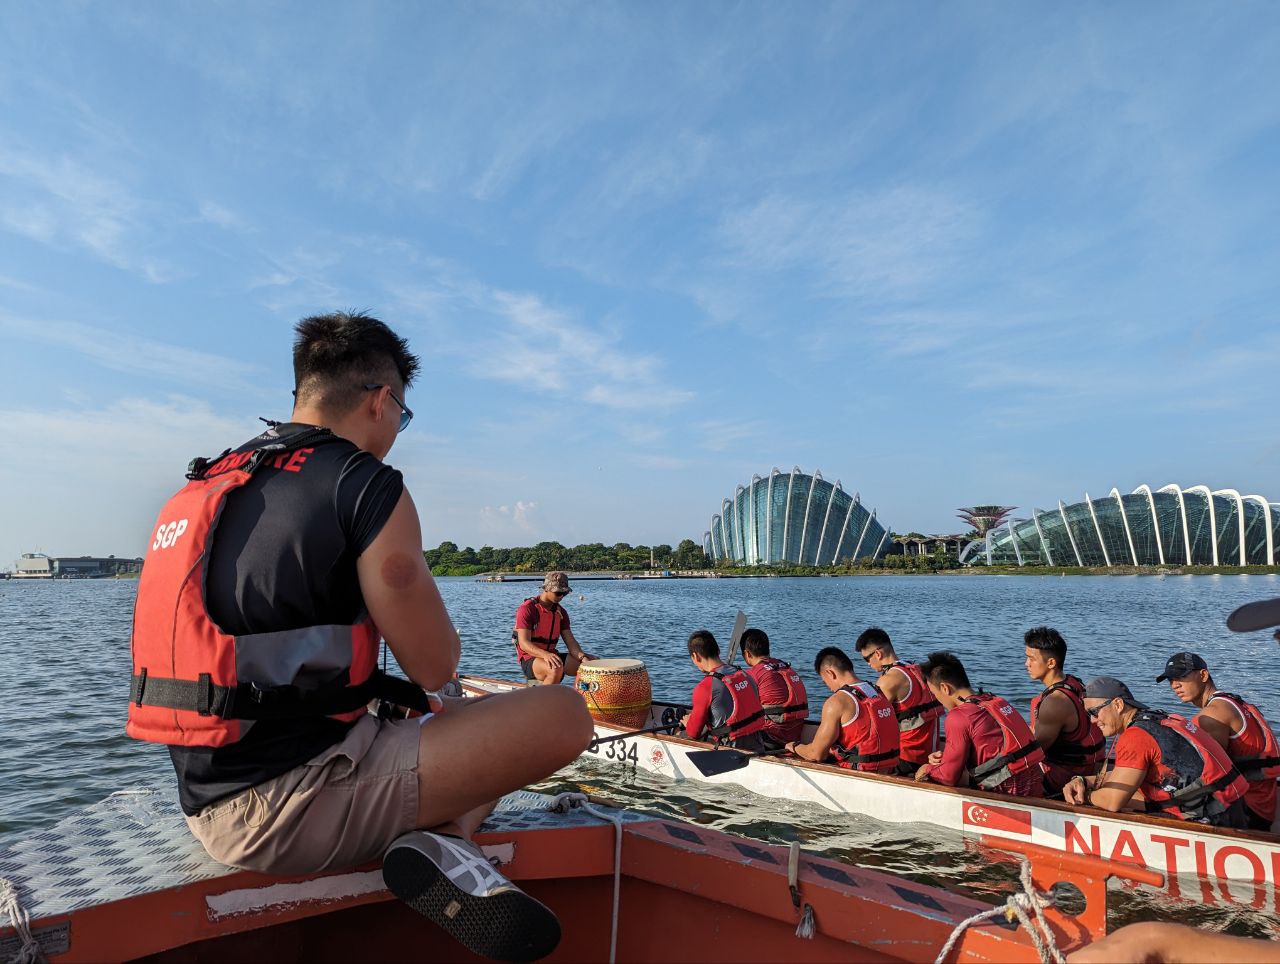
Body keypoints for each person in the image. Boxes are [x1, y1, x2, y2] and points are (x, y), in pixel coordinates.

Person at [126, 312, 593, 961]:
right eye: (401, 417)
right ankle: (446, 840)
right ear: (381, 401)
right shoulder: (363, 484)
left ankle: (432, 834)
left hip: (203, 803)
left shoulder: (213, 481)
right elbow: (436, 663)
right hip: (291, 812)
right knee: (563, 714)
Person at [1064, 677, 1247, 827]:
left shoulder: (1135, 736)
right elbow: (1127, 774)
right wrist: (1084, 780)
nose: (1094, 721)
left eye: (1094, 712)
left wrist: (1086, 797)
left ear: (1118, 705)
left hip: (1212, 820)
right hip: (1231, 808)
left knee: (1110, 802)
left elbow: (1113, 802)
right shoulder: (1158, 719)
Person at [1157, 651, 1279, 831]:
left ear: (1203, 675)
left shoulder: (1211, 716)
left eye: (1181, 677)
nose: (1175, 685)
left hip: (1249, 811)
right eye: (1170, 680)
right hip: (1265, 802)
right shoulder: (1233, 702)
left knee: (1157, 805)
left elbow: (1204, 775)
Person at [914, 651, 1045, 797]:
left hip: (1009, 793)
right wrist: (945, 758)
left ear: (945, 688)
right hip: (1035, 784)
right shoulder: (995, 701)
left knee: (924, 772)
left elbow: (947, 777)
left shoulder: (958, 716)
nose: (937, 699)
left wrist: (927, 769)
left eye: (935, 693)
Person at [787, 647, 899, 773]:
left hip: (859, 773)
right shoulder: (877, 691)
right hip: (889, 769)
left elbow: (816, 754)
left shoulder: (837, 701)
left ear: (830, 673)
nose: (829, 688)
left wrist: (794, 746)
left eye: (825, 682)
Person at [1023, 627, 1106, 795]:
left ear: (1051, 663)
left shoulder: (1055, 703)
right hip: (1088, 770)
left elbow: (1033, 754)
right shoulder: (1075, 684)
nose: (1026, 663)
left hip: (1060, 781)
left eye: (1032, 658)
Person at [855, 627, 944, 775]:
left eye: (867, 659)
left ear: (878, 653)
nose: (867, 664)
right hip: (930, 754)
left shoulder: (887, 682)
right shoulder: (918, 669)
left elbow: (870, 724)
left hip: (905, 759)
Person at [680, 629, 769, 751]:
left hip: (730, 754)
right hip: (758, 747)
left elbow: (693, 733)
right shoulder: (744, 674)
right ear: (718, 650)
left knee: (678, 734)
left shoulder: (705, 687)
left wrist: (688, 723)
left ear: (695, 656)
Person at [512, 571, 595, 684]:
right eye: (558, 593)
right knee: (555, 668)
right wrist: (545, 655)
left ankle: (582, 697)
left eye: (564, 593)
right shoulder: (527, 609)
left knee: (594, 664)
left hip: (552, 655)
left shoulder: (561, 613)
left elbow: (570, 642)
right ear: (546, 589)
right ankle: (543, 700)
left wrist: (583, 658)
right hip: (530, 659)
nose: (561, 596)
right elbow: (524, 644)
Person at [741, 628, 809, 749]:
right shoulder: (784, 666)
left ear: (747, 654)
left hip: (772, 739)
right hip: (796, 734)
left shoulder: (752, 675)